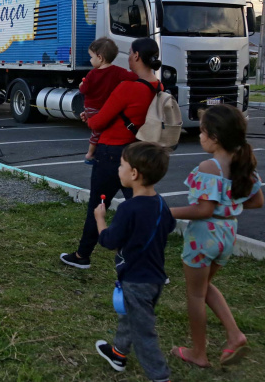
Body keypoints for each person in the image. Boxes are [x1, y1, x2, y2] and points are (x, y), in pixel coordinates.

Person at [169, 104, 264, 368]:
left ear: (215, 137)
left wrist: (166, 211)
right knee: (205, 287)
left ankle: (198, 353)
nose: (199, 136)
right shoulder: (243, 164)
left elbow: (203, 209)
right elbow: (257, 202)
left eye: (201, 131)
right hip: (228, 234)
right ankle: (234, 335)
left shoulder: (209, 166)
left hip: (204, 236)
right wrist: (230, 204)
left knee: (195, 295)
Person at [61, 37, 163, 269]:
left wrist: (90, 118)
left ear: (136, 56)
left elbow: (98, 122)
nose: (127, 58)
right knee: (142, 208)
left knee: (98, 205)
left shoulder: (128, 87)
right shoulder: (157, 87)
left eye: (130, 54)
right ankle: (152, 263)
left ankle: (82, 256)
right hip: (137, 153)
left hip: (111, 154)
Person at [92, 142, 176, 382]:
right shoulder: (161, 203)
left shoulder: (128, 208)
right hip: (155, 278)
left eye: (121, 165)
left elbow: (109, 240)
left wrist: (100, 219)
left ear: (134, 174)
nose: (118, 169)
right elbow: (168, 226)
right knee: (130, 316)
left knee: (143, 333)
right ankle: (118, 353)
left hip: (136, 280)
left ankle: (160, 377)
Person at [78, 37, 137, 164]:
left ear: (99, 57)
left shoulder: (92, 74)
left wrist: (81, 85)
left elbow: (84, 90)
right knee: (101, 131)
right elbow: (133, 77)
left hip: (91, 107)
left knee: (97, 131)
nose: (90, 60)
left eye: (91, 57)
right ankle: (94, 152)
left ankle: (89, 154)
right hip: (106, 108)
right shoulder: (117, 71)